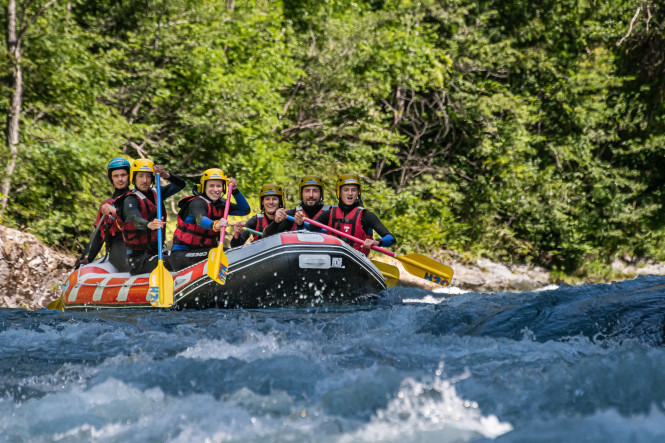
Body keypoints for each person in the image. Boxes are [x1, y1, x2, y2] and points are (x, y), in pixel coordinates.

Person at [169, 168, 250, 271]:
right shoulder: (197, 203)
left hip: (206, 251)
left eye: (219, 186)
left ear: (223, 188)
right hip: (182, 255)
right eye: (211, 186)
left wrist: (235, 191)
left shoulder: (221, 204)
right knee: (224, 254)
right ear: (204, 187)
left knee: (231, 253)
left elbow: (245, 210)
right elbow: (200, 220)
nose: (216, 189)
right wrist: (215, 225)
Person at [114, 158, 186, 275]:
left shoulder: (157, 192)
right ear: (134, 178)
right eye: (141, 176)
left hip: (158, 252)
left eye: (148, 177)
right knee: (175, 261)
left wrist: (165, 175)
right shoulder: (130, 199)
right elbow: (135, 219)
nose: (145, 180)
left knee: (181, 259)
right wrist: (148, 224)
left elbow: (180, 185)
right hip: (138, 259)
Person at [309, 174, 396, 256]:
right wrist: (300, 224)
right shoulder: (328, 214)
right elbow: (308, 231)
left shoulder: (366, 216)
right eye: (346, 190)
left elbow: (391, 239)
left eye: (353, 190)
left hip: (357, 263)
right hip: (332, 261)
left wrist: (377, 242)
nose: (350, 193)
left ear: (358, 192)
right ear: (339, 192)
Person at [75, 157, 131, 272]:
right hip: (118, 245)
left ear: (129, 176)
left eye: (123, 175)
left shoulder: (137, 198)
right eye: (116, 176)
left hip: (138, 243)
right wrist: (89, 258)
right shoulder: (106, 205)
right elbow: (99, 236)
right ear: (111, 178)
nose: (120, 179)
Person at [263, 175, 330, 237]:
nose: (311, 195)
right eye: (307, 191)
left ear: (321, 194)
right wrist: (276, 222)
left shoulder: (330, 213)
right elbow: (266, 235)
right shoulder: (292, 214)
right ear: (301, 194)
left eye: (315, 191)